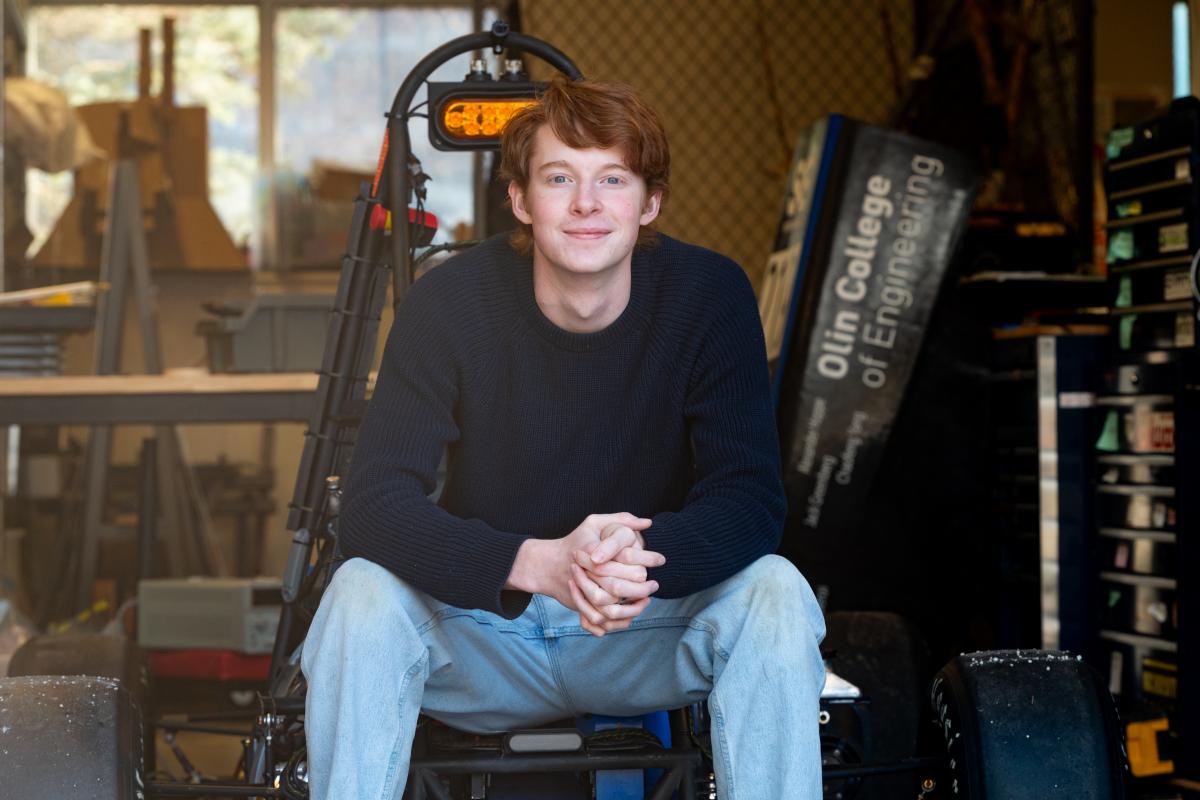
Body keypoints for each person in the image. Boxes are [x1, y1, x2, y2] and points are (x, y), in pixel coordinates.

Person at [301, 76, 827, 799]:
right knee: (357, 593)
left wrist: (637, 560)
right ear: (520, 200)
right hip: (485, 636)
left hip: (640, 628)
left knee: (777, 590)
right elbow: (373, 507)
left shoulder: (709, 295)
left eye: (612, 178)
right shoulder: (448, 301)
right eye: (559, 178)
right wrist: (537, 563)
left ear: (650, 202)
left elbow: (750, 500)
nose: (586, 203)